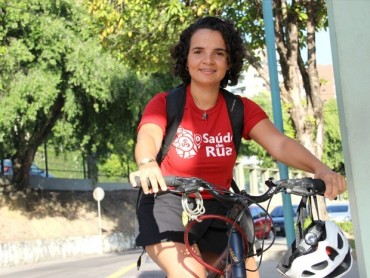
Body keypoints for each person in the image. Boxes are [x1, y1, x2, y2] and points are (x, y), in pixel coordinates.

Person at [129, 16, 346, 278]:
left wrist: (320, 169)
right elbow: (149, 135)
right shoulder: (166, 103)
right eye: (198, 51)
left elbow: (279, 144)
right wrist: (147, 162)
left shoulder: (239, 109)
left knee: (246, 274)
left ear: (229, 61)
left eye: (218, 53)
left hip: (222, 206)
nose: (208, 60)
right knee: (191, 274)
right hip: (170, 202)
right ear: (185, 59)